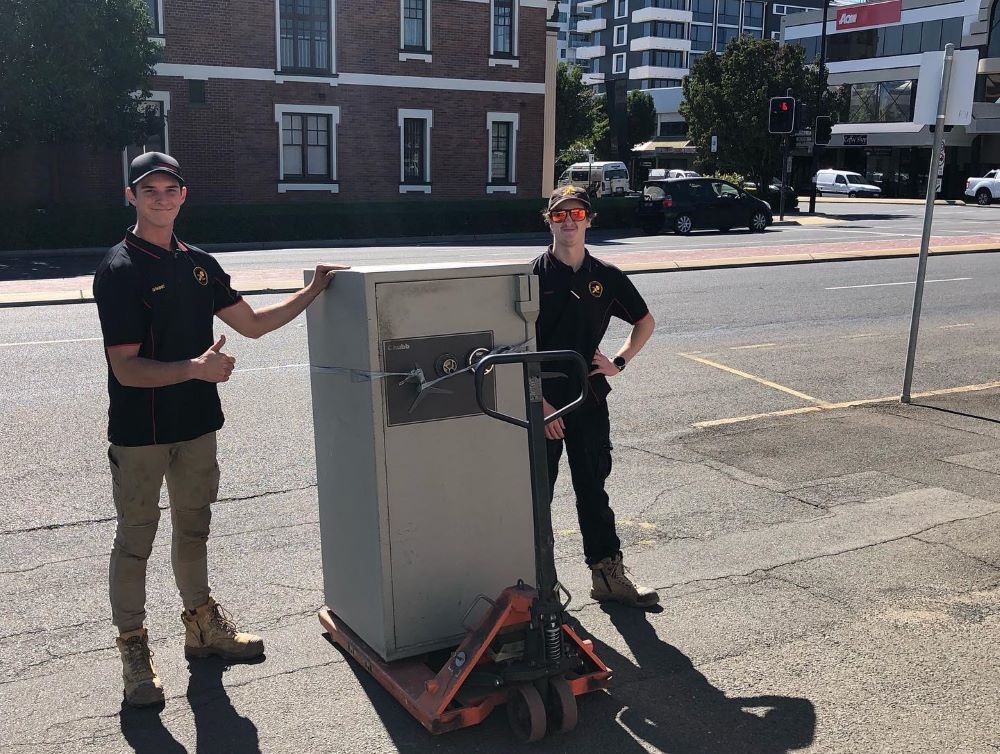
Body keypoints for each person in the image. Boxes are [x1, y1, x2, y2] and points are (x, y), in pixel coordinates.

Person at [93, 152, 345, 707]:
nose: (161, 198)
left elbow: (251, 325)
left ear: (184, 195)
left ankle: (201, 627)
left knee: (194, 529)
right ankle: (134, 650)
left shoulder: (198, 263)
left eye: (170, 189)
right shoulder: (119, 269)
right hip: (140, 433)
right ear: (131, 196)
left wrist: (312, 292)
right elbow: (126, 369)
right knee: (136, 540)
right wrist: (195, 370)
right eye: (150, 189)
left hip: (196, 426)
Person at [532, 185, 658, 608]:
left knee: (593, 489)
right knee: (535, 499)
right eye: (560, 214)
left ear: (588, 219)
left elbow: (644, 321)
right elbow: (514, 348)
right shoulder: (533, 276)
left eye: (577, 213)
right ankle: (537, 587)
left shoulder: (606, 275)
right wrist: (540, 405)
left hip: (587, 398)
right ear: (548, 220)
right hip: (544, 402)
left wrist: (619, 362)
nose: (568, 221)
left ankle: (607, 576)